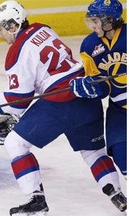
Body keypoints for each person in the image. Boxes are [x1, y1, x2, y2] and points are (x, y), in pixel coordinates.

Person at [0, 1, 127, 215]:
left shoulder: (16, 52)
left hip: (61, 102)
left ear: (13, 26)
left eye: (1, 29)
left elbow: (20, 100)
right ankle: (117, 194)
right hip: (86, 96)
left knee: (15, 143)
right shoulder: (43, 28)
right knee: (93, 151)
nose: (0, 35)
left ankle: (36, 200)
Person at [69, 0, 126, 178]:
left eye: (96, 21)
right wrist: (91, 86)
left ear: (109, 21)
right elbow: (103, 87)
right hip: (119, 109)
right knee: (121, 153)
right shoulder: (89, 45)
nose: (92, 25)